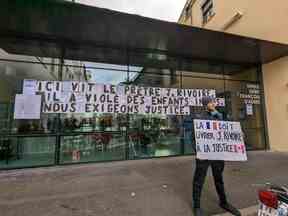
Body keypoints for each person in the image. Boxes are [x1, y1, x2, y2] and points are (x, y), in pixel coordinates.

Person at [192, 96, 241, 216]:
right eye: (211, 102)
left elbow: (227, 133)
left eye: (214, 102)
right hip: (204, 154)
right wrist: (199, 151)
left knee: (219, 179)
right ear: (206, 104)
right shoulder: (199, 117)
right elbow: (193, 138)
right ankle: (197, 206)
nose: (214, 104)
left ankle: (223, 202)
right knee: (199, 180)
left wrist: (238, 135)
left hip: (218, 154)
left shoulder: (220, 116)